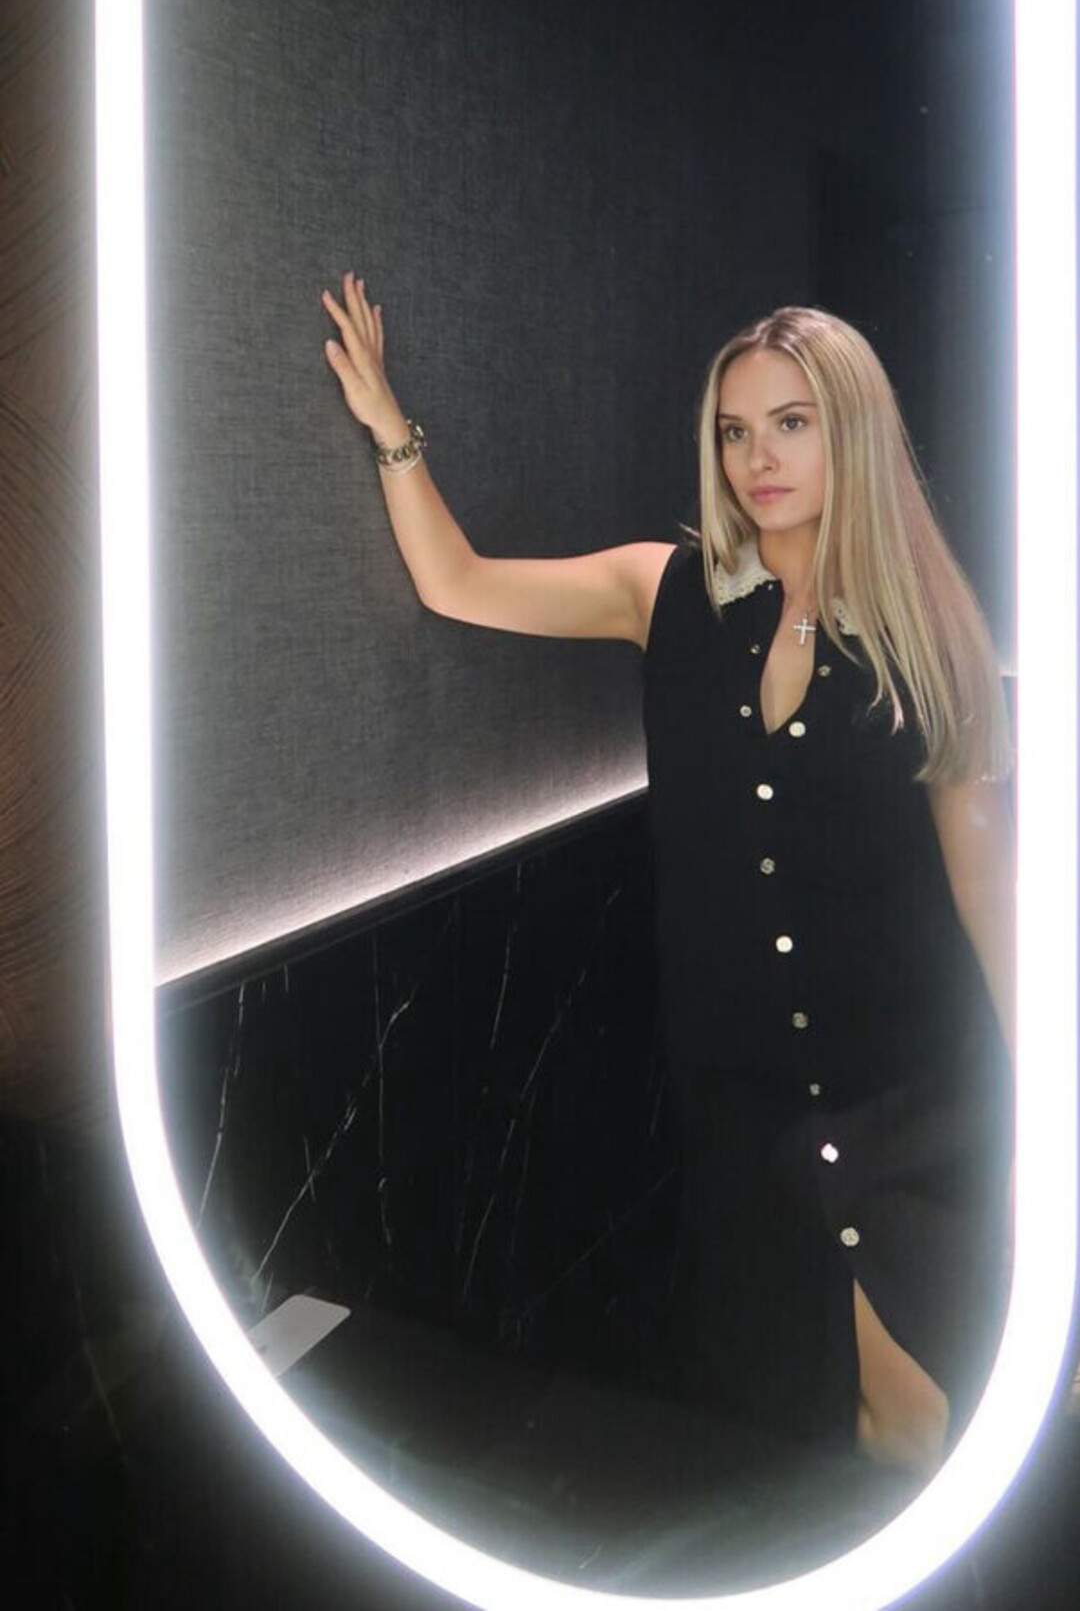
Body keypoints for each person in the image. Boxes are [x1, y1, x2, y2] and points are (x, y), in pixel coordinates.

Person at [321, 270, 1015, 1480]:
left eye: (791, 423)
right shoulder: (666, 591)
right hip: (741, 1114)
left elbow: (988, 893)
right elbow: (457, 582)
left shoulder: (930, 638)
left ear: (852, 431)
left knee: (921, 1421)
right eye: (735, 431)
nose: (759, 458)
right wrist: (391, 428)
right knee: (792, 1414)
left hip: (912, 1099)